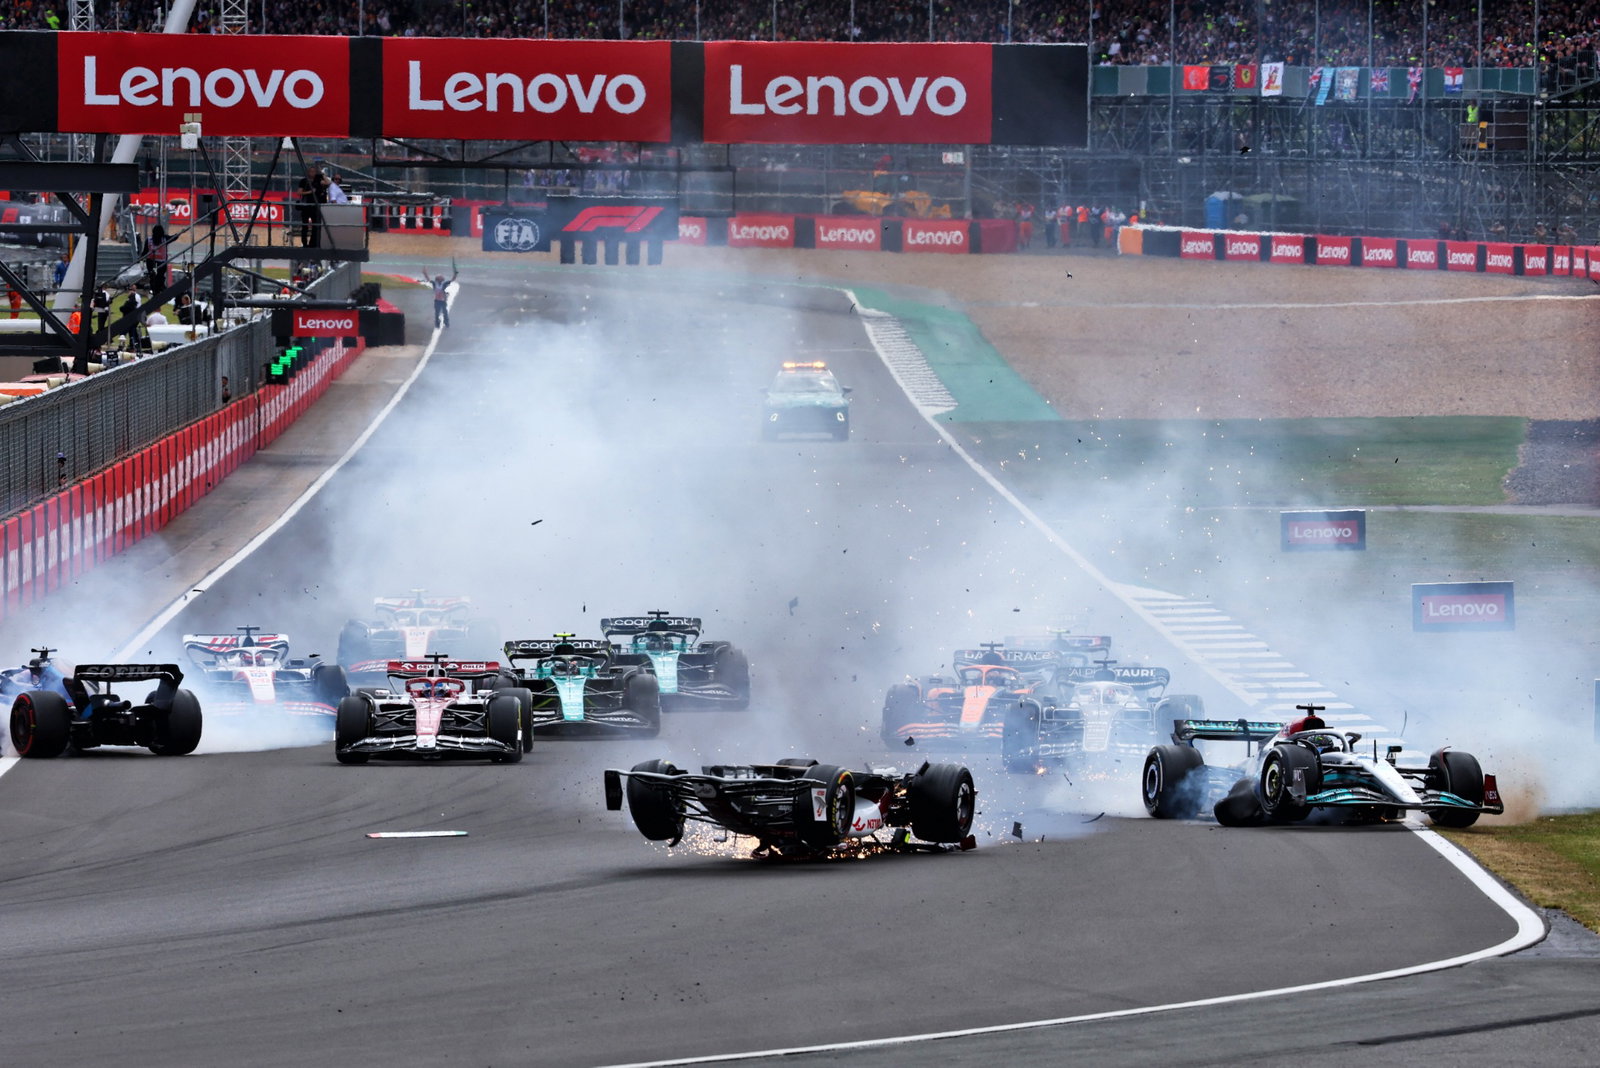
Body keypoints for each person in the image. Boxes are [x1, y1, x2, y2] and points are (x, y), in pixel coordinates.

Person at [144, 224, 171, 292]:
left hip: (155, 263)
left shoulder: (163, 239)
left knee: (155, 276)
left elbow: (144, 251)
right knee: (157, 276)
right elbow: (173, 237)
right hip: (155, 263)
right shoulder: (164, 238)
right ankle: (157, 289)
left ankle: (157, 288)